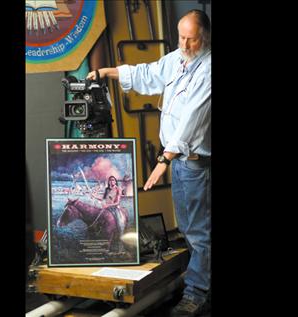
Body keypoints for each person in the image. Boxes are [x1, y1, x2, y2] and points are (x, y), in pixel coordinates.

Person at [87, 9, 211, 317]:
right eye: (181, 36)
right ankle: (199, 280)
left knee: (198, 231)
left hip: (192, 162)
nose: (184, 43)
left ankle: (197, 293)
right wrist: (107, 72)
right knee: (187, 227)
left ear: (205, 36)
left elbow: (191, 121)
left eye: (191, 38)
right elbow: (147, 73)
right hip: (180, 161)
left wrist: (162, 161)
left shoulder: (208, 70)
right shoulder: (177, 58)